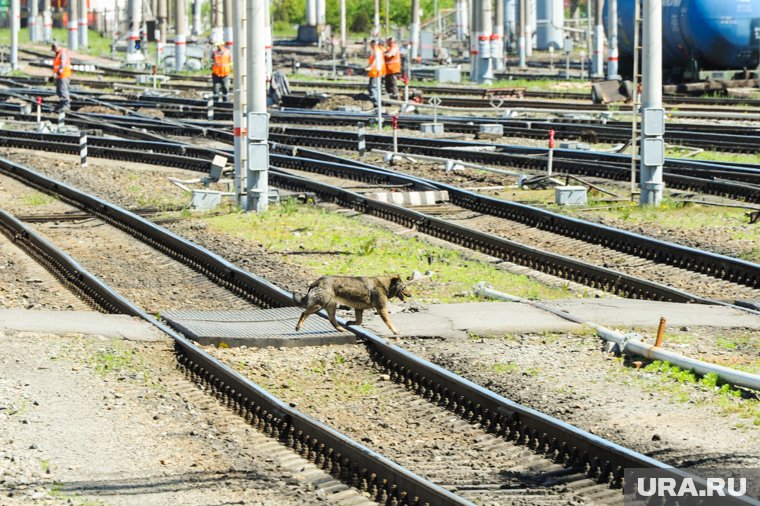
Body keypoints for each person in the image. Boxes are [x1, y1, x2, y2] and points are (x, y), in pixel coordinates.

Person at [51, 42, 71, 112]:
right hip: (60, 76)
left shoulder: (62, 53)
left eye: (53, 50)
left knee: (63, 91)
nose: (53, 52)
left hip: (63, 75)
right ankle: (62, 104)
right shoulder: (58, 53)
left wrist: (57, 73)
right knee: (59, 91)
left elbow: (63, 65)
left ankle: (66, 105)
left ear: (55, 48)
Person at [365, 40, 386, 105]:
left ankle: (376, 102)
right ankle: (376, 101)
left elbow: (376, 61)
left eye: (371, 44)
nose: (370, 46)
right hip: (375, 71)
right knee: (374, 87)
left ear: (373, 44)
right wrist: (367, 67)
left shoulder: (376, 51)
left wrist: (369, 68)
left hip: (375, 71)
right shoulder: (376, 50)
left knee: (373, 87)